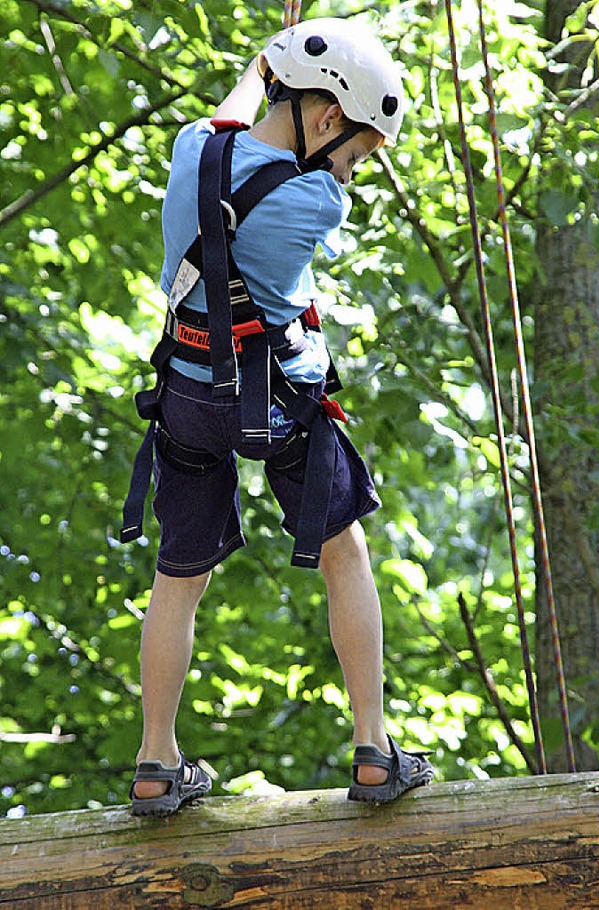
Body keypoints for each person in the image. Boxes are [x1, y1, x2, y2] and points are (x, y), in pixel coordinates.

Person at [126, 17, 435, 817]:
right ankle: (373, 745)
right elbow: (285, 154)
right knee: (346, 554)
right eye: (359, 152)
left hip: (187, 397)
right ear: (329, 119)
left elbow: (237, 116)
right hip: (277, 406)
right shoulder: (316, 199)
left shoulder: (192, 149)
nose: (354, 172)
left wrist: (265, 59)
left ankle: (155, 761)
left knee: (178, 575)